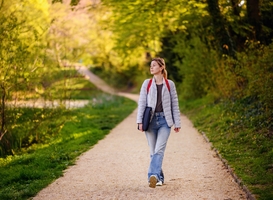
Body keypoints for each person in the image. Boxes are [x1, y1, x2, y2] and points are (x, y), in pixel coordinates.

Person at [137, 57, 181, 188]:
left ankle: (153, 176)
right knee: (153, 152)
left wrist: (177, 122)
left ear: (161, 67)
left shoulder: (170, 84)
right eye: (151, 66)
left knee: (159, 150)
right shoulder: (147, 83)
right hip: (150, 122)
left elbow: (175, 105)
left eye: (154, 65)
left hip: (164, 121)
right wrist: (139, 121)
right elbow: (142, 103)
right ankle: (159, 178)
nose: (151, 68)